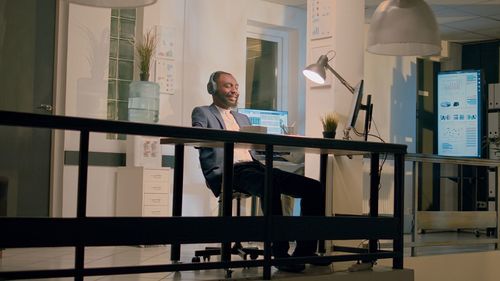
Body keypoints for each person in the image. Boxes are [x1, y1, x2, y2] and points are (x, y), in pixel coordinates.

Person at [191, 71, 329, 273]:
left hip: (255, 167)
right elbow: (198, 136)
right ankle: (280, 254)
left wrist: (286, 140)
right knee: (269, 185)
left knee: (313, 188)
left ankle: (305, 252)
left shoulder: (243, 117)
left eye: (236, 86)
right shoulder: (203, 112)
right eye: (228, 86)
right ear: (212, 89)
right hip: (229, 170)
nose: (234, 91)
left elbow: (255, 148)